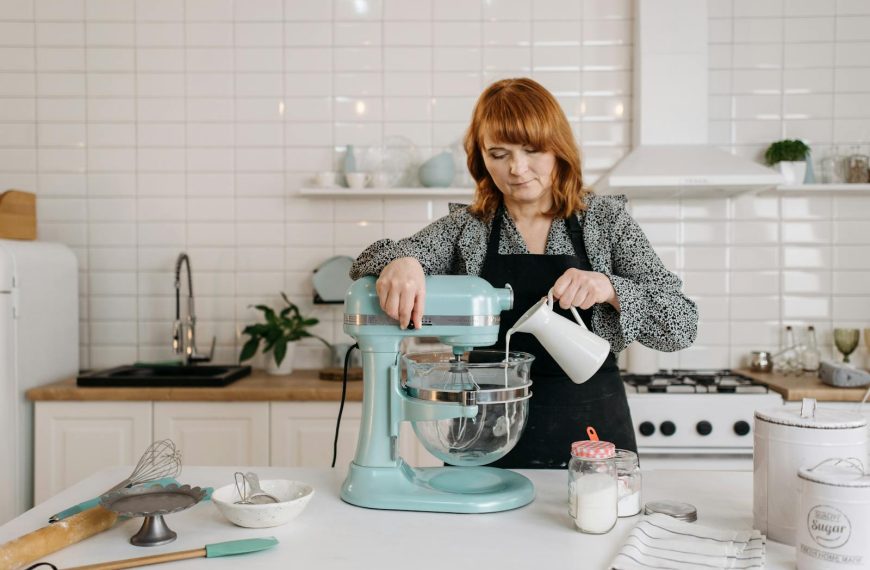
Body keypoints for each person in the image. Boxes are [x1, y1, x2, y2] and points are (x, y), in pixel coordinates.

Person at [350, 78, 698, 468]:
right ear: (481, 159)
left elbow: (682, 325)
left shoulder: (606, 222)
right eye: (498, 154)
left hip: (592, 437)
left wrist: (610, 287)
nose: (516, 169)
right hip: (485, 433)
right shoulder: (467, 228)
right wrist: (402, 262)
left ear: (558, 148)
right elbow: (365, 263)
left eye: (531, 150)